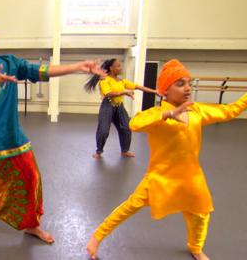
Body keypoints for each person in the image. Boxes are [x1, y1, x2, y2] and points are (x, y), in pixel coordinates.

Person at [0, 14, 105, 243]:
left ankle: (31, 225)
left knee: (31, 178)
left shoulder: (9, 62)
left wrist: (77, 66)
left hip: (11, 138)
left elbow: (40, 71)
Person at [86, 59, 247, 260]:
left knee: (200, 213)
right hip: (159, 178)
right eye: (180, 84)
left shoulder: (196, 110)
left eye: (189, 82)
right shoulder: (158, 114)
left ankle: (195, 247)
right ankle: (96, 237)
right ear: (165, 91)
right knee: (130, 206)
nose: (187, 88)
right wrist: (168, 114)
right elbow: (135, 123)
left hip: (191, 177)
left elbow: (229, 110)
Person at [84, 58, 158, 159]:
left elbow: (138, 87)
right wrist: (124, 92)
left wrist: (155, 91)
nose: (121, 68)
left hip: (119, 107)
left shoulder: (122, 81)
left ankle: (125, 151)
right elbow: (108, 94)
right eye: (118, 66)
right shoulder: (104, 80)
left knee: (126, 128)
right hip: (107, 106)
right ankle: (99, 151)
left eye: (120, 65)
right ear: (111, 68)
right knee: (104, 130)